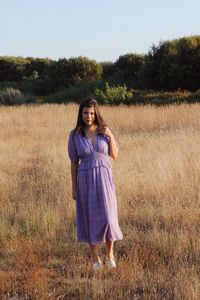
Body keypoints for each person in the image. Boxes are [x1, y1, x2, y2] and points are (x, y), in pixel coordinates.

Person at [67, 97, 123, 270]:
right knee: (90, 218)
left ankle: (110, 254)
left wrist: (110, 135)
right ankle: (95, 258)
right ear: (81, 113)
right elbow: (74, 163)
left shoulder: (103, 131)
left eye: (91, 113)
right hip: (85, 179)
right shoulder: (75, 134)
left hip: (104, 178)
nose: (88, 116)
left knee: (108, 216)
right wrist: (74, 188)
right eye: (85, 113)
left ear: (96, 113)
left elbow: (114, 155)